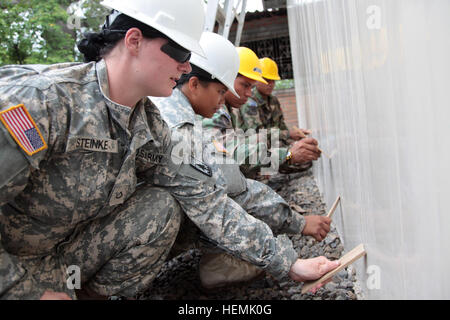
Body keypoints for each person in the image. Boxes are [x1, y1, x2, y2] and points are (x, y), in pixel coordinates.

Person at [0, 0, 206, 300]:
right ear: (134, 40)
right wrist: (28, 293)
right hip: (11, 267)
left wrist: (284, 259)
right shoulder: (43, 103)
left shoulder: (148, 123)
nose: (186, 67)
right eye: (180, 52)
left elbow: (199, 188)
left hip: (60, 261)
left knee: (161, 205)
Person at [153, 33, 333, 289]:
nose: (247, 93)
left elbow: (243, 152)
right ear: (194, 84)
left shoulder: (183, 107)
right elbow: (231, 176)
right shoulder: (185, 125)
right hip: (153, 223)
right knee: (215, 199)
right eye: (224, 89)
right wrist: (289, 256)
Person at [233, 57, 321, 178]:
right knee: (291, 157)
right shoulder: (249, 102)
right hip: (257, 148)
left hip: (273, 144)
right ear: (257, 80)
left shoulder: (273, 100)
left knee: (305, 157)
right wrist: (288, 139)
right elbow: (258, 134)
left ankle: (273, 167)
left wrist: (295, 138)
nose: (270, 84)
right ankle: (263, 172)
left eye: (273, 81)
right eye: (266, 80)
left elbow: (282, 126)